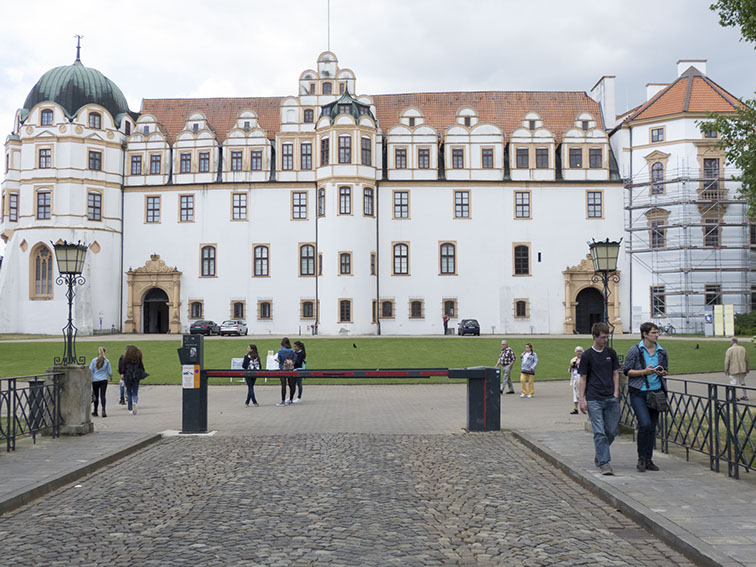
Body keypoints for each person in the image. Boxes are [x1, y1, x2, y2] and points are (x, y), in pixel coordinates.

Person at [623, 321, 668, 473]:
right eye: (654, 332)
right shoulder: (635, 350)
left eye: (657, 332)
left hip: (656, 393)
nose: (657, 335)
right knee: (645, 424)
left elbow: (665, 369)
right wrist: (644, 372)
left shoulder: (661, 351)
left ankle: (649, 459)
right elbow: (627, 371)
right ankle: (641, 458)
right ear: (645, 334)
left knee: (652, 427)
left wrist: (661, 372)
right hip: (639, 393)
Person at [579, 322, 620, 476]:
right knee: (599, 432)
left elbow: (615, 373)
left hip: (610, 397)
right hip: (594, 398)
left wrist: (616, 393)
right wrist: (581, 400)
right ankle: (604, 463)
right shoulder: (587, 355)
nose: (605, 340)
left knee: (611, 431)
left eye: (607, 337)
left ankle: (600, 452)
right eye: (603, 337)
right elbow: (583, 378)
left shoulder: (611, 353)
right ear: (595, 337)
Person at [89, 346, 112, 417]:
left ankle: (95, 410)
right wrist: (110, 376)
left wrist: (90, 378)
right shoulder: (106, 361)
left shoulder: (94, 360)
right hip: (103, 379)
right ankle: (103, 410)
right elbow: (109, 372)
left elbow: (90, 370)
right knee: (103, 395)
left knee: (96, 395)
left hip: (95, 380)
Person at [122, 345, 146, 415]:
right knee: (135, 393)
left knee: (129, 393)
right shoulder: (138, 359)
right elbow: (141, 367)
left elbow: (123, 369)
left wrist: (122, 375)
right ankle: (135, 402)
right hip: (136, 376)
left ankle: (130, 409)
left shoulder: (125, 359)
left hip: (128, 377)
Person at [275, 337, 296, 406]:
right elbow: (294, 360)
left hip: (283, 368)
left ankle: (283, 401)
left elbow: (279, 360)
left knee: (283, 385)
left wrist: (277, 361)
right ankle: (291, 400)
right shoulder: (291, 350)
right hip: (290, 368)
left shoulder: (280, 350)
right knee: (291, 384)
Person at [568, 346, 583, 414]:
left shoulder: (585, 359)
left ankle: (586, 407)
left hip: (582, 378)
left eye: (580, 351)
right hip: (575, 378)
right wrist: (571, 366)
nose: (579, 353)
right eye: (577, 351)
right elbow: (570, 371)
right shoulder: (573, 360)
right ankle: (575, 408)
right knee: (575, 393)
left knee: (583, 393)